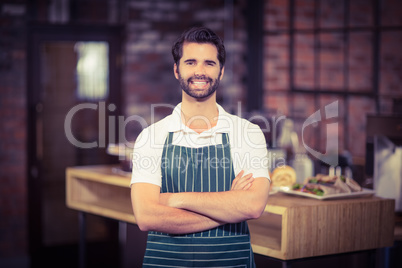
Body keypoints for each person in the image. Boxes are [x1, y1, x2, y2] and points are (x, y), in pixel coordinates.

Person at [130, 26, 271, 267]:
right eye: (191, 62)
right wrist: (229, 206)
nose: (199, 71)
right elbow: (146, 216)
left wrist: (173, 199)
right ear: (177, 70)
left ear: (222, 71)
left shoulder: (248, 133)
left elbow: (253, 206)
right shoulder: (151, 136)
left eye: (209, 63)